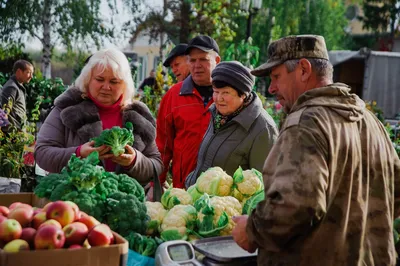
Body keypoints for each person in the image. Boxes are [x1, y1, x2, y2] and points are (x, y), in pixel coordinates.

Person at [231, 34, 400, 266]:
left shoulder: (305, 123)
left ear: (303, 69)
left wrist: (251, 231)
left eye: (276, 77)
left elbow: (296, 205)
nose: (271, 88)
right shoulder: (370, 121)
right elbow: (395, 194)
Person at [35, 48, 163, 185]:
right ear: (87, 79)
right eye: (100, 79)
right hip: (73, 201)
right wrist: (78, 154)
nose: (106, 87)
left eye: (114, 81)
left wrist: (134, 160)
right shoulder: (66, 108)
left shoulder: (138, 115)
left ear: (125, 84)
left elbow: (156, 165)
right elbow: (42, 153)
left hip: (123, 201)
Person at [185, 61, 278, 188]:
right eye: (216, 92)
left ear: (243, 95)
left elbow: (264, 186)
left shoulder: (263, 129)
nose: (218, 98)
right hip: (200, 201)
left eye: (225, 93)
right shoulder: (217, 114)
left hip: (228, 207)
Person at [153, 35, 221, 192]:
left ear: (216, 60)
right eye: (192, 60)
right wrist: (157, 183)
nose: (197, 65)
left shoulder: (229, 95)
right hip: (182, 190)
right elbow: (162, 146)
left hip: (220, 190)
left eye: (203, 59)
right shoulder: (173, 95)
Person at [0, 60, 34, 130]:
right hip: (13, 134)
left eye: (32, 73)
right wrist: (10, 134)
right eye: (28, 72)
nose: (31, 76)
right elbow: (4, 113)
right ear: (19, 72)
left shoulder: (18, 86)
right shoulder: (12, 87)